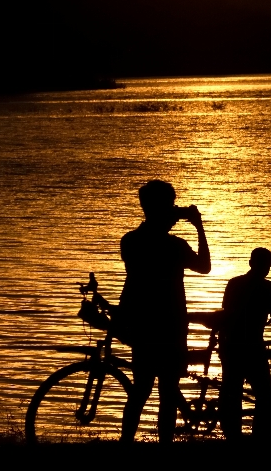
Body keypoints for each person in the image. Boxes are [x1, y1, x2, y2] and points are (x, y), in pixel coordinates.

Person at [118, 180, 211, 443]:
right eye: (170, 205)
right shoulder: (174, 246)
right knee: (168, 391)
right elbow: (204, 266)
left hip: (143, 324)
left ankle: (126, 443)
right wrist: (199, 226)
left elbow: (134, 278)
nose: (175, 211)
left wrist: (172, 217)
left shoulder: (131, 241)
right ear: (161, 209)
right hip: (170, 324)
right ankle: (165, 446)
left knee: (141, 390)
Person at [218, 247, 271, 439]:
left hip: (231, 345)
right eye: (268, 265)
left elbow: (225, 313)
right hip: (254, 346)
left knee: (232, 393)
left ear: (250, 263)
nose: (268, 268)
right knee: (264, 395)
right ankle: (259, 436)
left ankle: (233, 436)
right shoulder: (268, 287)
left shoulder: (234, 283)